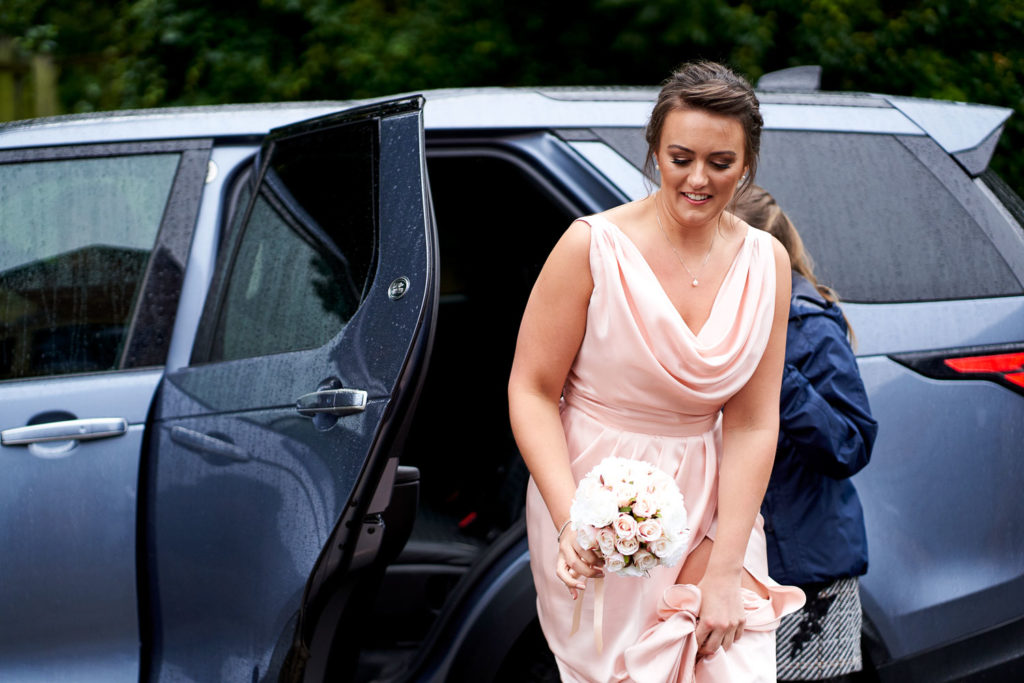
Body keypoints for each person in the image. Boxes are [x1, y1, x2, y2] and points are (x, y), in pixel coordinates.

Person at [508, 61, 805, 682]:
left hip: (716, 498)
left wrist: (726, 568)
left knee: (733, 662)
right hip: (598, 500)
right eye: (681, 158)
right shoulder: (590, 246)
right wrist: (571, 522)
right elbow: (533, 390)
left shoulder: (766, 262)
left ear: (746, 165)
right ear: (654, 151)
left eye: (721, 164)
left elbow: (752, 423)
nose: (698, 178)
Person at [732, 187, 878, 683]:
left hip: (807, 572)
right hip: (741, 565)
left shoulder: (809, 326)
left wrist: (777, 376)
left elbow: (851, 442)